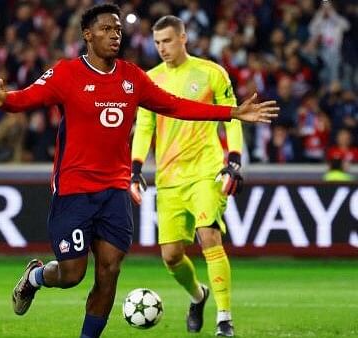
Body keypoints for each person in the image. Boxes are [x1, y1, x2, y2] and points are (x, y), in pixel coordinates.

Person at [0, 4, 278, 338]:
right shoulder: (67, 73)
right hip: (74, 190)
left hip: (114, 191)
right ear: (87, 35)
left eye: (118, 29)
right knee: (72, 275)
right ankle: (35, 277)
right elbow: (29, 97)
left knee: (109, 272)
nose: (115, 35)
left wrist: (232, 112)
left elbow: (175, 105)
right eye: (107, 29)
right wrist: (4, 100)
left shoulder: (132, 77)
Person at [130, 15, 244, 336]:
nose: (162, 48)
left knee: (208, 236)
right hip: (168, 177)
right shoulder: (149, 81)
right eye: (157, 43)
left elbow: (232, 118)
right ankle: (199, 295)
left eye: (167, 41)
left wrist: (233, 160)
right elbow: (145, 129)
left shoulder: (211, 73)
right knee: (171, 257)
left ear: (183, 38)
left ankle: (224, 318)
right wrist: (136, 167)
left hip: (206, 170)